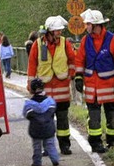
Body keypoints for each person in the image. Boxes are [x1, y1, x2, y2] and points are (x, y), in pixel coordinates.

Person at [75, 9, 114, 153]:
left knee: (112, 116)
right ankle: (95, 143)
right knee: (94, 119)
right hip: (92, 88)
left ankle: (113, 142)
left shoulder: (112, 40)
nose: (86, 27)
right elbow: (79, 59)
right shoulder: (86, 41)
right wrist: (78, 77)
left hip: (110, 87)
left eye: (88, 24)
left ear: (95, 24)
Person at [26, 16, 76, 154]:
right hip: (45, 89)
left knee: (63, 120)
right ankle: (47, 147)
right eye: (57, 30)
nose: (60, 33)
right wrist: (30, 84)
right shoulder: (37, 44)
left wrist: (71, 74)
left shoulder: (65, 43)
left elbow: (72, 60)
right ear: (49, 31)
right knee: (45, 120)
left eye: (60, 30)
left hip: (62, 89)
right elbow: (32, 65)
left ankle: (65, 146)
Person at [23, 78, 59, 166]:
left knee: (37, 146)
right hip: (48, 128)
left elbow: (26, 114)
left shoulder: (29, 104)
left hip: (36, 129)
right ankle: (55, 159)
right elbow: (53, 111)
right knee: (50, 144)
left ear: (31, 90)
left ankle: (37, 162)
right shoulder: (50, 101)